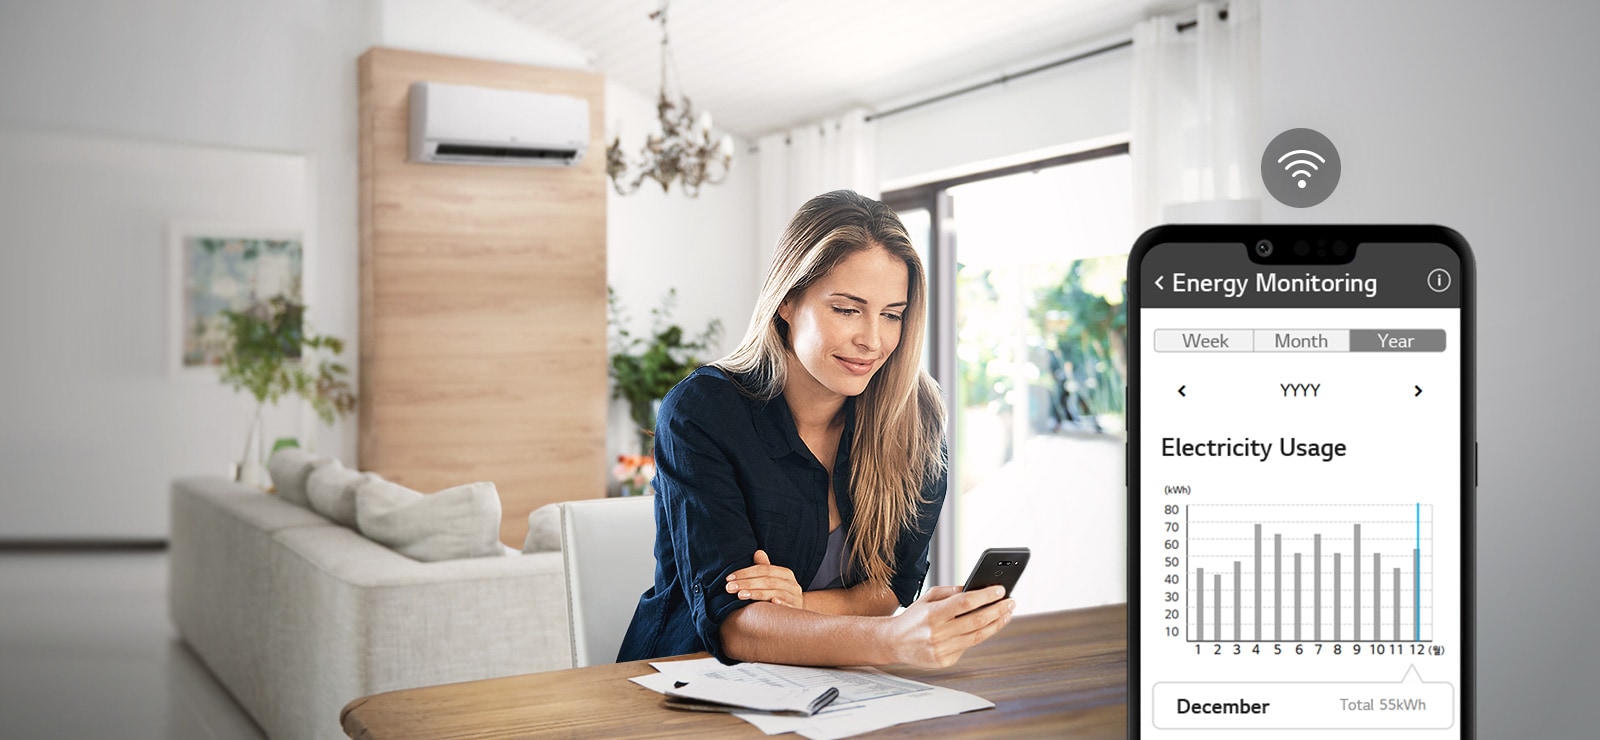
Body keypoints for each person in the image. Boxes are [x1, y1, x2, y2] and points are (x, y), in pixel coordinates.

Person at [616, 190, 1014, 668]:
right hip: (688, 676)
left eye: (892, 314)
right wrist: (888, 638)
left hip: (833, 680)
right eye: (847, 309)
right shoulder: (703, 411)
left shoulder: (917, 418)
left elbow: (890, 589)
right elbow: (735, 626)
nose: (872, 340)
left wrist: (797, 604)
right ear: (787, 302)